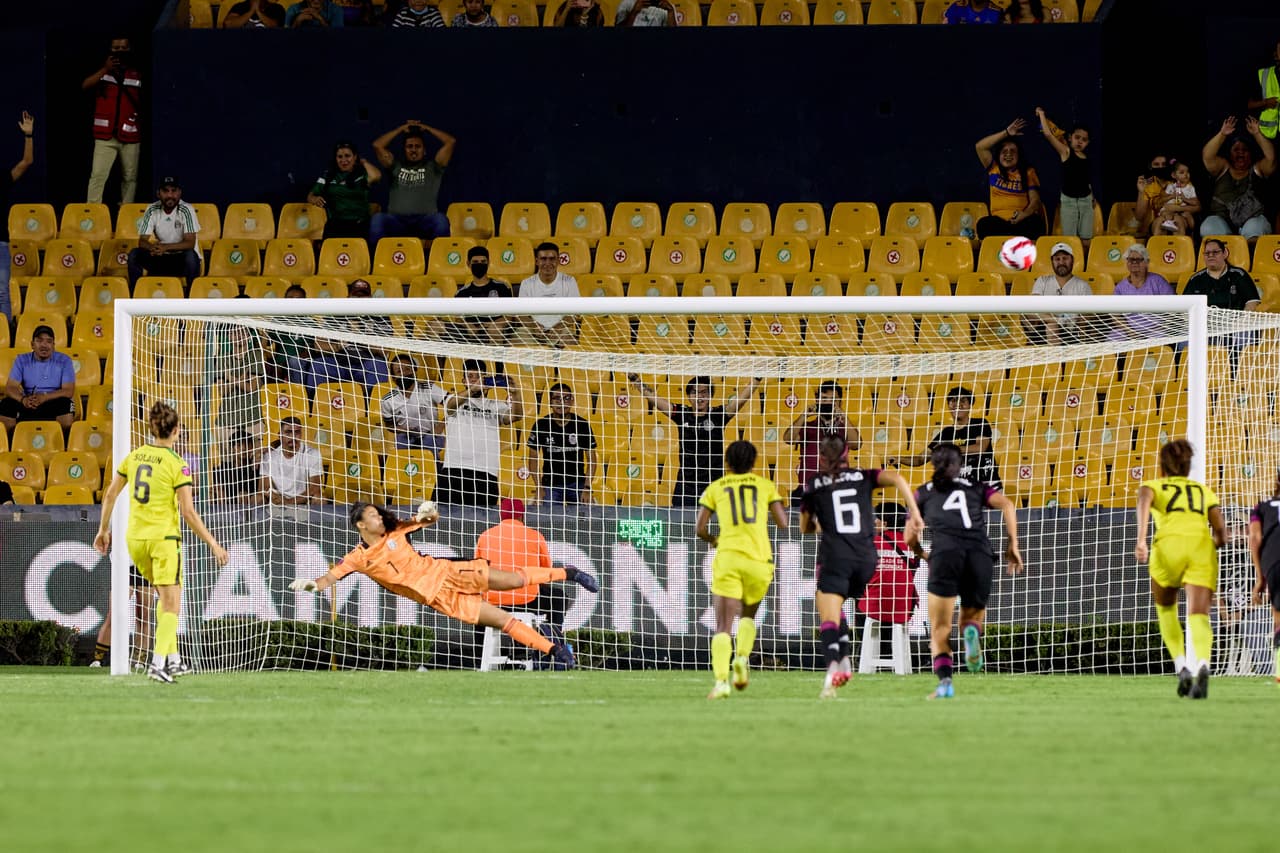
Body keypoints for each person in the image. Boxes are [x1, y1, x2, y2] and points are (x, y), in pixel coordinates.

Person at [289, 502, 598, 667]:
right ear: (361, 525)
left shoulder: (396, 532)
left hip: (449, 572)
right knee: (503, 621)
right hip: (439, 599)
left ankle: (569, 573)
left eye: (378, 514)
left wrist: (429, 512)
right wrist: (310, 585)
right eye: (373, 516)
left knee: (514, 580)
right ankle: (556, 651)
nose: (379, 518)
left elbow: (427, 519)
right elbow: (329, 579)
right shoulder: (357, 558)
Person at [93, 402, 230, 683]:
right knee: (172, 605)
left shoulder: (134, 457)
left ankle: (174, 660)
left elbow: (110, 495)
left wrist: (103, 530)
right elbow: (188, 512)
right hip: (163, 540)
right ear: (176, 430)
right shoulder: (178, 464)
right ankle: (158, 664)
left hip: (135, 541)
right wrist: (213, 543)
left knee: (164, 596)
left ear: (152, 428)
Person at [801, 434, 922, 699]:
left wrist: (823, 524)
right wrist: (914, 514)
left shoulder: (814, 484)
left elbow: (805, 527)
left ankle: (835, 667)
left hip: (836, 557)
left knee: (829, 611)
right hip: (867, 560)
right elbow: (898, 478)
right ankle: (845, 658)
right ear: (847, 454)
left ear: (821, 458)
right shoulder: (864, 476)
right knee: (840, 603)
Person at [906, 443, 1023, 700]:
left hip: (945, 556)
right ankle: (971, 632)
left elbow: (909, 536)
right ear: (959, 465)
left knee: (940, 628)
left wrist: (922, 553)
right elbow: (1008, 504)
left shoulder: (922, 493)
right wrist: (1012, 544)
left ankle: (945, 683)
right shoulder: (976, 487)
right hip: (979, 554)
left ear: (933, 464)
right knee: (971, 617)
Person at [695, 440, 789, 699]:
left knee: (723, 626)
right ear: (754, 463)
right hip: (759, 561)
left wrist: (714, 539)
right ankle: (742, 659)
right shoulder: (765, 485)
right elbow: (783, 523)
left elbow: (699, 528)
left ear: (727, 462)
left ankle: (721, 682)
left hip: (729, 558)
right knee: (748, 616)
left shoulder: (717, 487)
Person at [1134, 439, 1226, 699]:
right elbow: (1221, 532)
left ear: (1162, 467)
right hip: (1200, 548)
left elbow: (1143, 500)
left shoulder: (1153, 486)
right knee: (1199, 614)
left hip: (1168, 548)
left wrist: (1141, 540)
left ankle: (1181, 666)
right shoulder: (1203, 491)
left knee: (1166, 610)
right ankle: (1203, 664)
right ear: (1187, 466)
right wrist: (1212, 545)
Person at [628, 373, 760, 507]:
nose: (699, 397)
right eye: (694, 392)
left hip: (713, 483)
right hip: (686, 485)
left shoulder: (718, 415)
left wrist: (757, 379)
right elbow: (655, 399)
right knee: (682, 518)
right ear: (689, 396)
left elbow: (741, 400)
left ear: (710, 395)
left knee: (715, 519)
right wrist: (637, 381)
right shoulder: (681, 414)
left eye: (703, 393)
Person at [478, 498, 571, 655]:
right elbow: (545, 573)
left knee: (478, 605)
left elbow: (479, 573)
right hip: (528, 600)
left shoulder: (485, 536)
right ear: (522, 516)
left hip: (494, 602)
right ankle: (552, 645)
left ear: (501, 515)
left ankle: (480, 655)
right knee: (559, 598)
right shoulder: (535, 536)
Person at [437, 360, 523, 508]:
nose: (475, 380)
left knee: (482, 519)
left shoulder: (495, 405)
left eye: (478, 377)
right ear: (463, 381)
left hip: (486, 472)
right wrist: (472, 390)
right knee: (447, 518)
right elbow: (450, 405)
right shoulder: (454, 400)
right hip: (454, 469)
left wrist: (515, 393)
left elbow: (516, 416)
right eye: (470, 376)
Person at [892, 386, 1002, 490]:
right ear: (949, 405)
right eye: (953, 401)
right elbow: (920, 459)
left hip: (988, 484)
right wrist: (900, 459)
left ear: (970, 405)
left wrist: (949, 450)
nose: (958, 404)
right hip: (964, 489)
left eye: (963, 401)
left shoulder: (980, 424)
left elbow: (980, 448)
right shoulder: (946, 433)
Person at [370, 120, 454, 245]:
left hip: (424, 221)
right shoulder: (395, 166)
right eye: (409, 146)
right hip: (397, 221)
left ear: (424, 150)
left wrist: (427, 128)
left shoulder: (434, 167)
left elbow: (450, 142)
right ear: (404, 150)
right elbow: (377, 145)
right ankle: (378, 256)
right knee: (377, 219)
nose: (413, 150)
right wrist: (400, 129)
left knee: (441, 220)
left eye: (417, 146)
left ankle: (437, 256)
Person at [83, 36, 141, 205]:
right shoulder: (103, 71)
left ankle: (126, 212)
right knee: (98, 176)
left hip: (131, 135)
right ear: (110, 50)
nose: (120, 51)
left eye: (123, 48)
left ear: (129, 49)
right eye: (116, 48)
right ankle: (93, 214)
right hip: (105, 136)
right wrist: (105, 69)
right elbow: (85, 85)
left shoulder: (137, 72)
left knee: (130, 178)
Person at [784, 380, 860, 504]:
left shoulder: (844, 428)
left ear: (840, 403)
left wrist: (844, 417)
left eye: (833, 399)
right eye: (824, 399)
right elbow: (788, 439)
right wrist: (804, 415)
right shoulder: (808, 426)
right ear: (817, 401)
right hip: (808, 489)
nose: (828, 402)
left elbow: (856, 444)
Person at [1199, 116, 1276, 240]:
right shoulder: (1223, 167)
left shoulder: (1258, 168)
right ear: (1230, 153)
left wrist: (1257, 134)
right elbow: (1207, 156)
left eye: (1245, 150)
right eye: (1236, 149)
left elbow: (1271, 158)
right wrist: (1222, 134)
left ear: (1250, 154)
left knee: (1254, 228)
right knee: (1208, 227)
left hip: (1252, 221)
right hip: (1222, 222)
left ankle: (1249, 251)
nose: (1240, 152)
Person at [974, 119, 1044, 240]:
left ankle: (1010, 239)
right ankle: (1011, 239)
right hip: (999, 223)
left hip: (1021, 221)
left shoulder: (1028, 172)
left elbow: (1035, 201)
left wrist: (1024, 214)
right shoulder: (993, 168)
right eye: (1004, 151)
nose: (1008, 154)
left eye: (1012, 151)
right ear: (999, 155)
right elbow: (980, 147)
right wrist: (1006, 133)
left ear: (1019, 155)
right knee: (983, 224)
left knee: (1036, 223)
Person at [527, 383, 597, 504]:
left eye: (566, 398)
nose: (562, 402)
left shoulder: (582, 425)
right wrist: (539, 487)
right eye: (557, 398)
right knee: (543, 511)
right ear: (550, 402)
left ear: (572, 401)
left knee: (588, 509)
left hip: (577, 483)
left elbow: (592, 459)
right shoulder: (541, 425)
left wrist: (587, 488)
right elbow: (533, 458)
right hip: (550, 484)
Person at [127, 176, 202, 288]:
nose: (170, 195)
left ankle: (192, 295)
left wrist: (165, 247)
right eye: (165, 191)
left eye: (174, 191)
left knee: (191, 256)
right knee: (134, 254)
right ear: (158, 193)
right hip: (161, 257)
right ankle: (135, 293)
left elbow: (190, 243)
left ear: (179, 193)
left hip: (181, 261)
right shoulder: (151, 209)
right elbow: (142, 241)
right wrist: (153, 248)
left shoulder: (187, 209)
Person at [0, 324, 76, 434]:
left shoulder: (65, 360)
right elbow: (10, 387)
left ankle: (61, 440)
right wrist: (23, 400)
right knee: (6, 404)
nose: (44, 345)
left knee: (66, 404)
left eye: (49, 341)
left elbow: (68, 391)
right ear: (32, 344)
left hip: (51, 401)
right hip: (29, 402)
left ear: (53, 345)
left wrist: (44, 397)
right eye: (39, 341)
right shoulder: (21, 360)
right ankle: (12, 440)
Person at [1035, 107, 1093, 244]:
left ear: (1088, 143)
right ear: (1070, 138)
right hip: (1069, 202)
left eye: (1084, 140)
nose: (1080, 141)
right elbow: (1049, 135)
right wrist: (1042, 115)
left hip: (1086, 201)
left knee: (1086, 241)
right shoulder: (1066, 152)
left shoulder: (1086, 158)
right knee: (1070, 241)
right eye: (1077, 137)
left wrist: (1092, 196)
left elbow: (1086, 179)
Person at [307, 141, 381, 240]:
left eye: (347, 156)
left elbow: (376, 176)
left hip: (359, 224)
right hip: (335, 224)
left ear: (355, 157)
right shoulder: (328, 175)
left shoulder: (361, 175)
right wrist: (314, 199)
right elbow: (310, 196)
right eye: (340, 157)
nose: (343, 160)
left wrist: (363, 162)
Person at [0, 111, 33, 322]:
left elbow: (27, 161)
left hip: (0, 245)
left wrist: (28, 135)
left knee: (2, 292)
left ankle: (4, 333)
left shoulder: (2, 178)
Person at [1248, 467, 1280, 685]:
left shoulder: (1261, 507)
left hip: (1274, 562)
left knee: (1278, 616)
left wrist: (1260, 578)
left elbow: (1255, 539)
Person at [1025, 242, 1092, 345]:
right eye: (1057, 259)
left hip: (1071, 332)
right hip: (1042, 329)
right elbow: (1032, 309)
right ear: (1052, 261)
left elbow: (1086, 317)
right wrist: (1056, 320)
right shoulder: (1042, 281)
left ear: (1072, 260)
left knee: (1052, 327)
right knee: (1027, 312)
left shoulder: (1082, 285)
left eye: (1065, 258)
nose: (1061, 262)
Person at [89, 565, 154, 671]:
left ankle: (140, 661)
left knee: (143, 616)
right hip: (123, 567)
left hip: (145, 566)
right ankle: (97, 659)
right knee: (113, 615)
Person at [380, 352, 447, 453]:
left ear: (414, 371)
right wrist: (404, 430)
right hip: (406, 437)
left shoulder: (429, 388)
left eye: (407, 369)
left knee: (429, 442)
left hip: (432, 436)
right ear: (393, 378)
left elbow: (454, 404)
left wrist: (440, 426)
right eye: (399, 371)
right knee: (400, 441)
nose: (404, 373)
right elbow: (389, 425)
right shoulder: (387, 400)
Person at [518, 242, 581, 347]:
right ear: (537, 261)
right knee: (517, 341)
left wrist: (559, 327)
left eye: (552, 259)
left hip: (561, 330)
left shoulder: (569, 281)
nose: (547, 263)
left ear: (558, 260)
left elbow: (575, 313)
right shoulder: (527, 283)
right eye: (543, 259)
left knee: (570, 341)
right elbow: (520, 315)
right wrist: (533, 326)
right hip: (532, 331)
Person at [1111, 244, 1174, 340]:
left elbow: (1173, 308)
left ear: (1147, 262)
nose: (1134, 263)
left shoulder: (1158, 281)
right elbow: (1115, 315)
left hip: (1157, 329)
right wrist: (1130, 332)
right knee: (1113, 339)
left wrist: (1160, 328)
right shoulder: (1120, 287)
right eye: (1131, 260)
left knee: (1161, 337)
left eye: (1139, 260)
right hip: (1129, 330)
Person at [454, 245, 514, 345]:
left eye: (483, 262)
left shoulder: (502, 287)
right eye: (475, 262)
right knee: (435, 325)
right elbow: (458, 318)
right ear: (468, 264)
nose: (479, 265)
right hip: (470, 333)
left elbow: (509, 316)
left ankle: (495, 355)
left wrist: (494, 325)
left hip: (496, 330)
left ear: (488, 263)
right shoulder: (461, 293)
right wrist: (467, 325)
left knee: (495, 330)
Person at [259, 416, 324, 508]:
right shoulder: (269, 456)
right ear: (280, 435)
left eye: (297, 432)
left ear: (301, 434)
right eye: (288, 432)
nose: (293, 436)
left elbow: (315, 488)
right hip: (277, 499)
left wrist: (288, 502)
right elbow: (263, 487)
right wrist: (275, 498)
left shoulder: (312, 454)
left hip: (303, 500)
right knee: (257, 498)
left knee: (319, 498)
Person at [1183, 238, 1261, 310]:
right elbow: (1184, 305)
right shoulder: (1195, 279)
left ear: (1225, 253)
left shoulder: (1239, 275)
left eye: (1215, 252)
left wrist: (1242, 319)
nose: (1210, 255)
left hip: (1235, 319)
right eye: (1207, 253)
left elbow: (1252, 302)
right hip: (1204, 320)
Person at [1151, 160, 1201, 236]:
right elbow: (1161, 200)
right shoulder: (1171, 186)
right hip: (1168, 211)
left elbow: (1196, 203)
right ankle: (1168, 223)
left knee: (1182, 218)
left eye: (1188, 172)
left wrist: (1184, 199)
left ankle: (1183, 234)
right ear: (1174, 175)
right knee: (1165, 214)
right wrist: (1171, 196)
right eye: (1182, 172)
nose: (1186, 175)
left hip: (1181, 213)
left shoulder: (1191, 188)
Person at [212, 429, 260, 504]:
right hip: (227, 507)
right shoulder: (222, 469)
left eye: (247, 444)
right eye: (238, 445)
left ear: (252, 447)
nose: (243, 448)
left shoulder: (257, 469)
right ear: (232, 449)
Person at [1134, 153, 1174, 237]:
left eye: (1164, 164)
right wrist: (1141, 192)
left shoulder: (1178, 181)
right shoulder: (1147, 185)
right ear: (1150, 166)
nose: (1160, 167)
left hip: (1175, 219)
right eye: (1156, 164)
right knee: (1159, 225)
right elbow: (1139, 217)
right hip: (1154, 225)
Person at [1248, 39, 1280, 140]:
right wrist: (1265, 103)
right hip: (1266, 135)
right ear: (1276, 55)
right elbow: (1249, 105)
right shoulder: (1263, 75)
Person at [221, 0, 287, 26]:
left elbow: (275, 26)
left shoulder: (276, 8)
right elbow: (228, 24)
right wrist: (251, 11)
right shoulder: (240, 6)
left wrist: (258, 11)